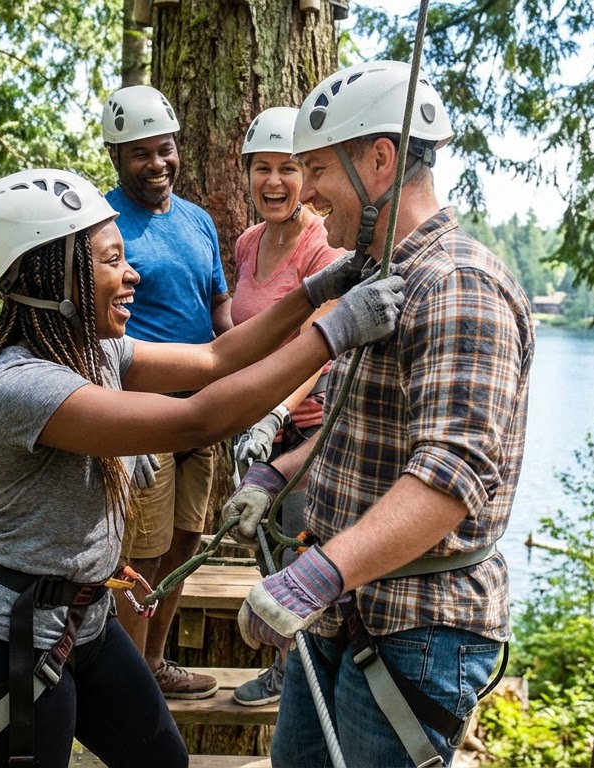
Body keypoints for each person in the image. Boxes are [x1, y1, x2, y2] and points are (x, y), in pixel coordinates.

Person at [0, 167, 406, 768]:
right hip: (9, 639)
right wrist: (333, 333)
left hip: (81, 617)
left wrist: (315, 293)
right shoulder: (23, 385)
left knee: (162, 759)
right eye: (110, 262)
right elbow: (196, 421)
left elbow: (215, 356)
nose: (131, 275)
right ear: (55, 274)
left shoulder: (93, 349)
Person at [225, 61, 536, 767]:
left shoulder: (456, 285)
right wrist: (276, 475)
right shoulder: (382, 277)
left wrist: (311, 578)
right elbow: (358, 433)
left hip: (415, 628)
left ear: (379, 158)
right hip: (347, 613)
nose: (305, 192)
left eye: (316, 170)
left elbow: (448, 481)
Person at [99, 84, 231, 699]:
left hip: (198, 418)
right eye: (141, 154)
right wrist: (120, 430)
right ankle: (129, 686)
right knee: (141, 557)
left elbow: (220, 319)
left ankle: (153, 666)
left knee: (184, 544)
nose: (158, 163)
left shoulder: (198, 221)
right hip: (143, 419)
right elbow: (90, 332)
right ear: (116, 157)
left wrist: (252, 401)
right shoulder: (100, 225)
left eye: (166, 149)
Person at [226, 106, 349, 708]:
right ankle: (290, 669)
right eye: (262, 169)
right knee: (266, 544)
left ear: (307, 179)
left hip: (307, 425)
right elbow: (245, 329)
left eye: (288, 170)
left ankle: (295, 677)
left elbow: (317, 342)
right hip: (258, 425)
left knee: (302, 547)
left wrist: (274, 412)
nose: (273, 183)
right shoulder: (250, 243)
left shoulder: (321, 251)